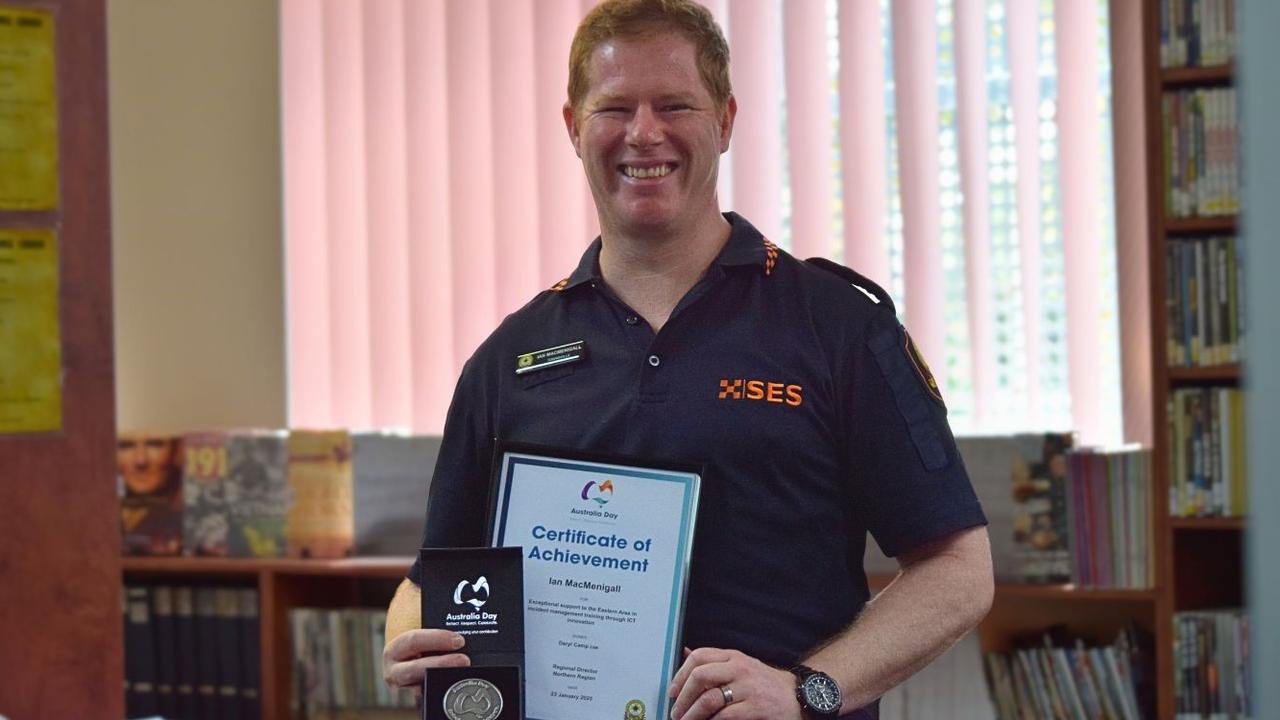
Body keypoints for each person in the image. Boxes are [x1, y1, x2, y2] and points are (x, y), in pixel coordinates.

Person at [381, 1, 994, 717]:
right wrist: (404, 634)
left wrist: (808, 691)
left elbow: (958, 568)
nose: (645, 133)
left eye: (675, 104)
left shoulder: (838, 328)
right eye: (615, 107)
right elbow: (435, 577)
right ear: (573, 126)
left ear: (726, 121)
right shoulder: (507, 359)